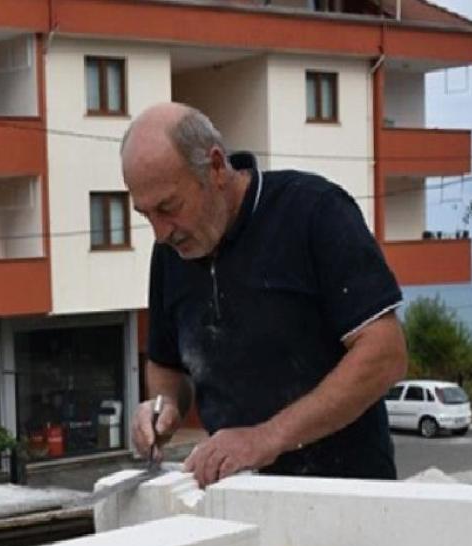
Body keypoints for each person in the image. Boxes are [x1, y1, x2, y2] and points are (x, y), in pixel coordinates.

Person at [123, 102, 408, 488]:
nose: (160, 232)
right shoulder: (170, 252)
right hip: (237, 496)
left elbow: (384, 354)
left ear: (217, 167)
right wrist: (164, 407)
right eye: (146, 215)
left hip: (346, 495)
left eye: (169, 207)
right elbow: (166, 364)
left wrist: (266, 437)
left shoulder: (313, 211)